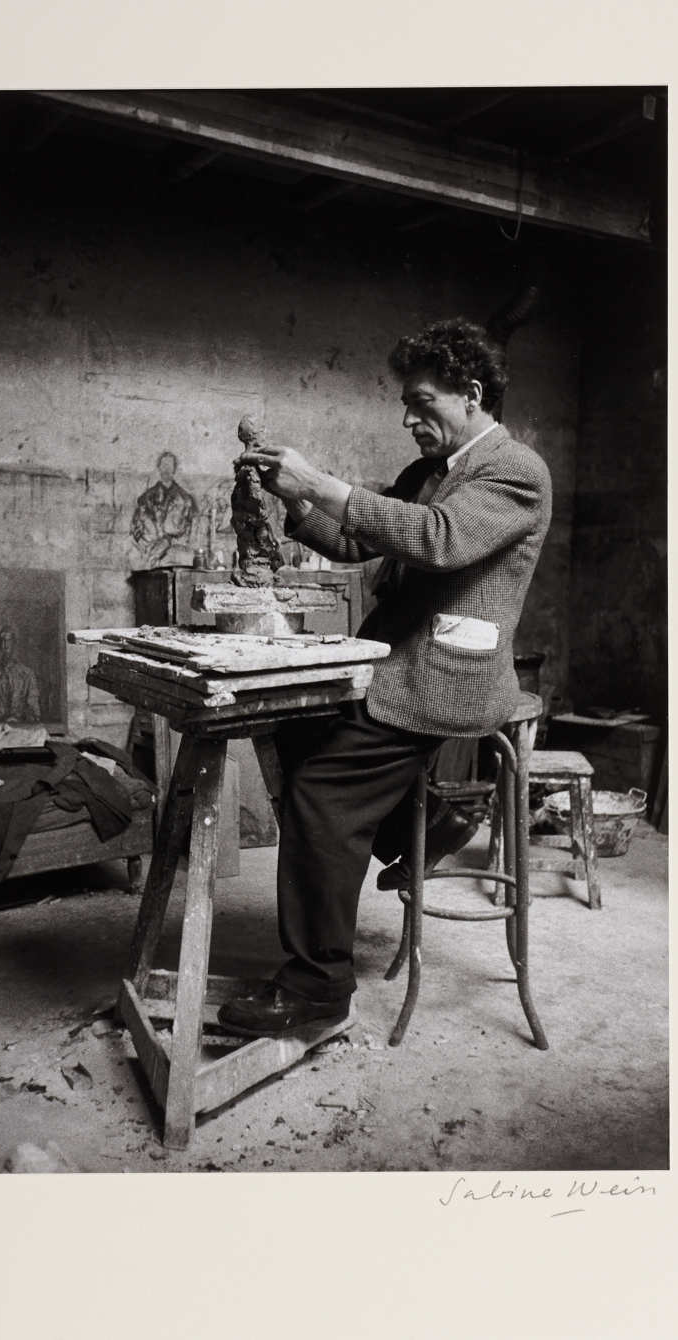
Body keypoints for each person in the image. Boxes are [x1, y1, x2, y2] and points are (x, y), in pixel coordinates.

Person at [217, 318, 552, 1036]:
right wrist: (293, 497)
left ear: (469, 393)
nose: (408, 418)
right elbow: (354, 538)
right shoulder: (430, 472)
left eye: (422, 402)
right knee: (295, 725)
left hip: (444, 680)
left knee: (320, 793)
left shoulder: (517, 470)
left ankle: (316, 987)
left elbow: (438, 539)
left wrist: (322, 480)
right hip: (394, 663)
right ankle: (422, 821)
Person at [130, 451, 198, 566]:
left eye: (170, 465)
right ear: (158, 468)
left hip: (176, 555)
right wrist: (146, 546)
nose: (166, 469)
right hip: (149, 553)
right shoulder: (147, 498)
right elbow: (135, 526)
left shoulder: (185, 499)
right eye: (163, 465)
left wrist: (169, 543)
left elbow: (190, 532)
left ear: (175, 469)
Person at [0, 626, 42, 723]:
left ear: (14, 644)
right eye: (2, 641)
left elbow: (34, 711)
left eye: (9, 641)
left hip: (19, 730)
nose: (5, 645)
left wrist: (19, 719)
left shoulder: (27, 674)